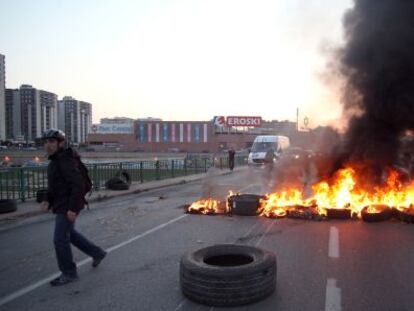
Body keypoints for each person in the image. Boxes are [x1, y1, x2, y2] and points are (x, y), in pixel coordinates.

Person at [40, 129, 106, 286]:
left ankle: (69, 273)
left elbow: (78, 185)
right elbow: (55, 185)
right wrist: (47, 199)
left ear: (61, 143)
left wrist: (73, 209)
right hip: (62, 203)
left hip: (68, 205)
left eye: (52, 142)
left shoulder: (65, 160)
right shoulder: (55, 160)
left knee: (60, 239)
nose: (48, 145)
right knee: (70, 234)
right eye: (46, 142)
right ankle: (97, 253)